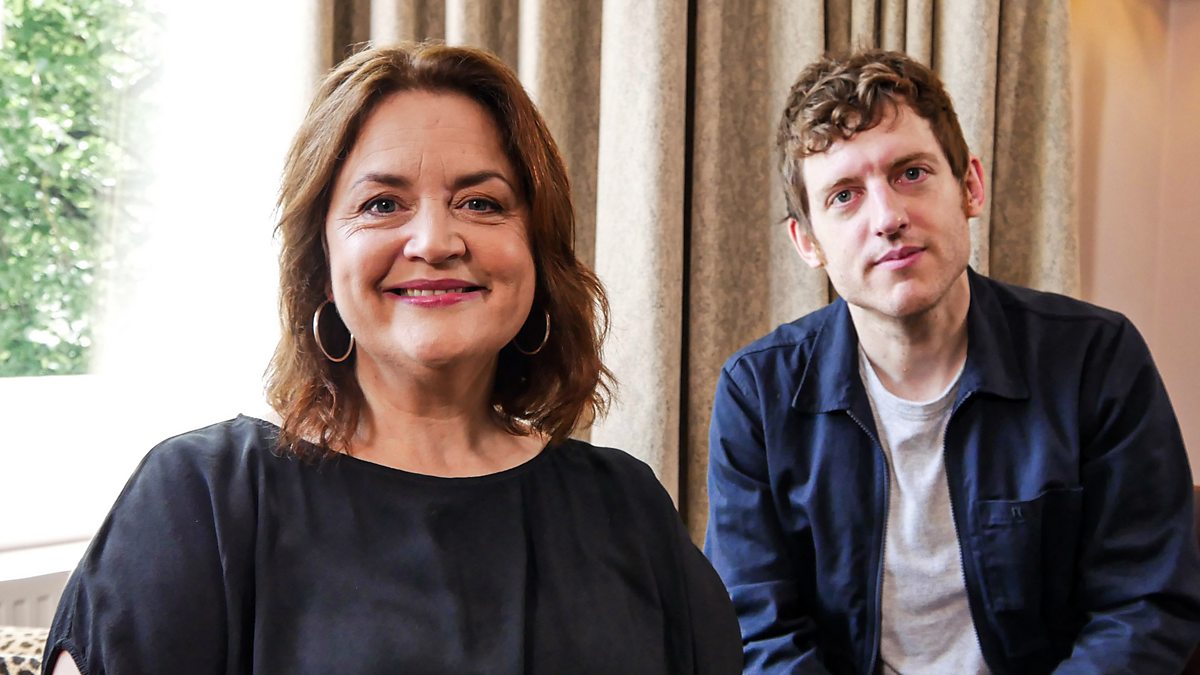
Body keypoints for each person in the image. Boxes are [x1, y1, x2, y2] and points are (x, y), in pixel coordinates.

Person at [45, 42, 741, 674]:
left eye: (481, 202)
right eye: (381, 204)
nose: (435, 241)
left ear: (537, 250)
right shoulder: (202, 496)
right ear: (321, 263)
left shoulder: (628, 505)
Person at [704, 49, 1200, 674]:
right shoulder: (757, 393)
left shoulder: (1096, 359)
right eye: (845, 196)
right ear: (808, 242)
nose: (888, 218)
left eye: (911, 173)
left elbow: (1145, 604)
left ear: (970, 186)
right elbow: (756, 629)